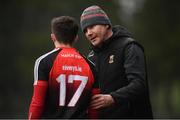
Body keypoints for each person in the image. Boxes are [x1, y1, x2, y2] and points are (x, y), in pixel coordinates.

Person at [80, 5, 153, 118]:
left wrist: (113, 98)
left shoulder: (129, 46)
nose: (89, 33)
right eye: (85, 30)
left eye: (92, 26)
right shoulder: (91, 56)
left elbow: (139, 84)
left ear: (106, 24)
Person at [28, 16, 99, 119]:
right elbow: (94, 109)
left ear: (53, 37)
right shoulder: (91, 66)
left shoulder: (43, 61)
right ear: (76, 38)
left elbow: (37, 104)